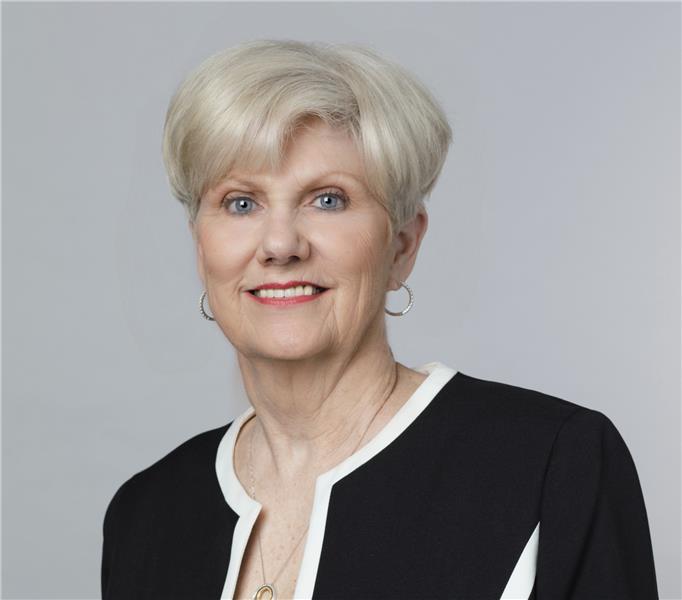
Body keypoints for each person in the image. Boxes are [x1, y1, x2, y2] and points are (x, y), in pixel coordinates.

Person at [100, 39, 659, 600]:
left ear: (402, 246)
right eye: (241, 203)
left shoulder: (550, 467)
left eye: (328, 200)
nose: (280, 245)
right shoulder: (145, 515)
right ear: (202, 250)